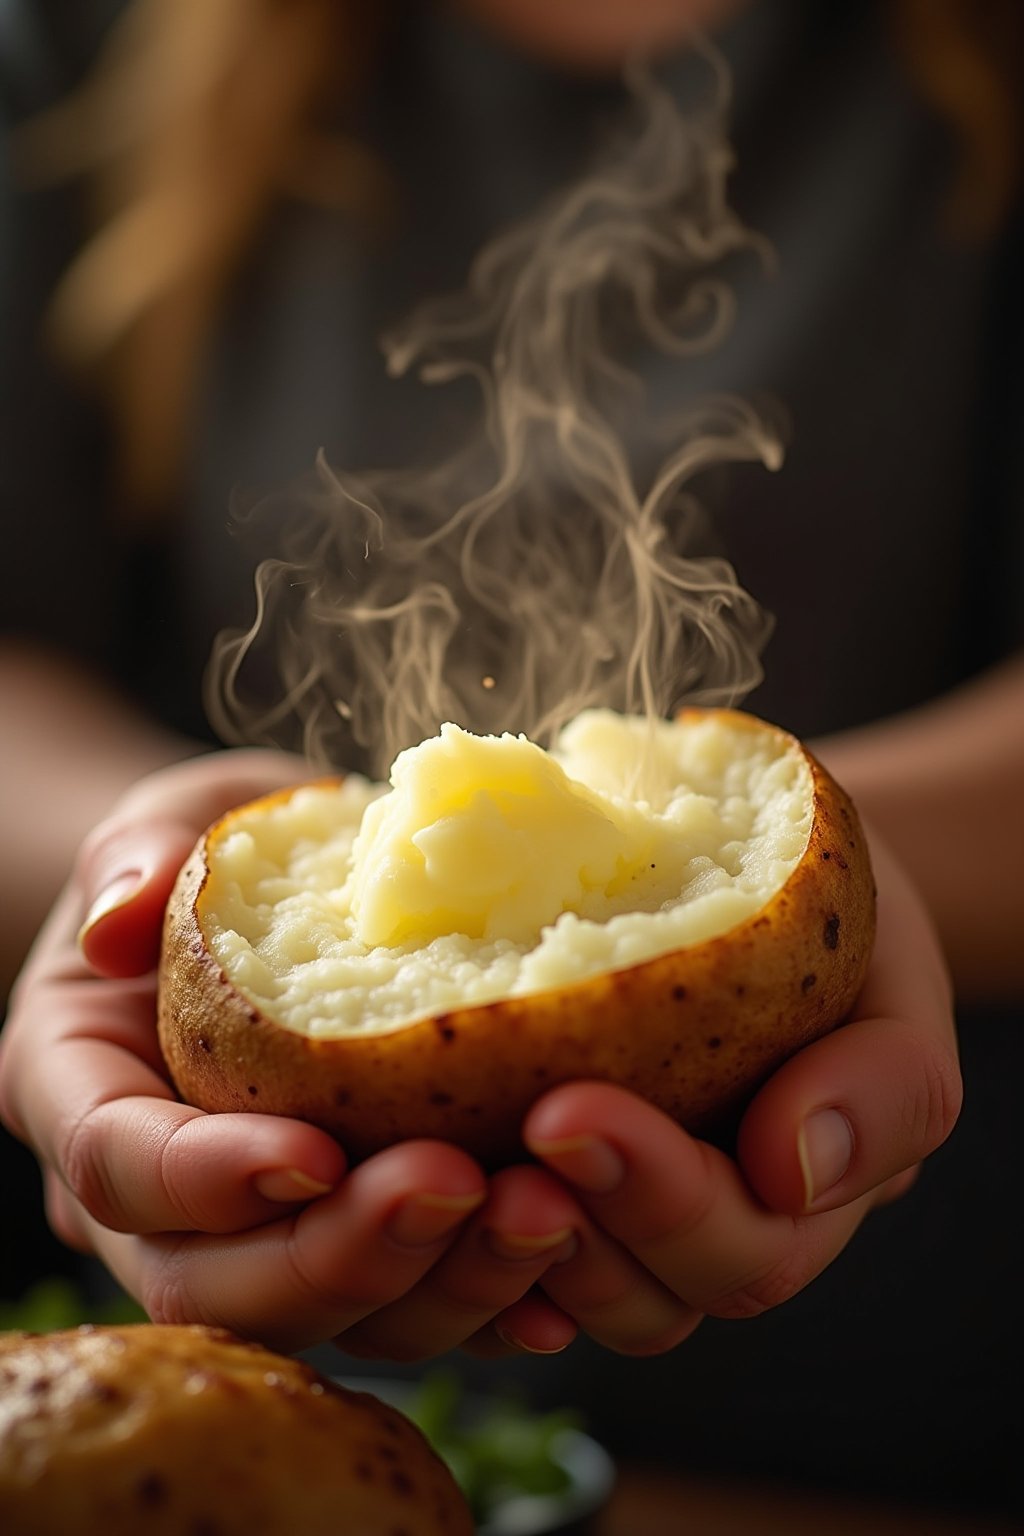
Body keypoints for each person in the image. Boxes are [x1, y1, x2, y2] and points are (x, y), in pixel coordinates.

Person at [1, 0, 1022, 1521]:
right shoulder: (83, 38)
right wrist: (129, 871)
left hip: (907, 1415)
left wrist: (871, 877)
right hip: (225, 1414)